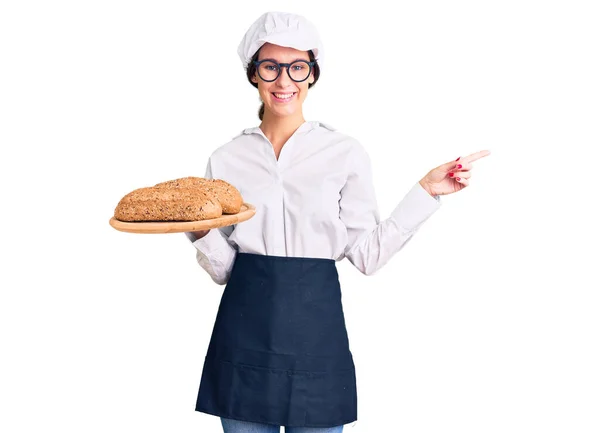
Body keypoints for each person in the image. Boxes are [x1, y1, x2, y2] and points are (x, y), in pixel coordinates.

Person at [185, 11, 490, 433]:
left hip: (317, 339)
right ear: (253, 74)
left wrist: (426, 191)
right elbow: (225, 271)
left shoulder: (344, 153)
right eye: (270, 66)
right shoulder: (226, 159)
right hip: (243, 339)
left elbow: (366, 256)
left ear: (313, 74)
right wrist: (197, 228)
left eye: (297, 67)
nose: (284, 80)